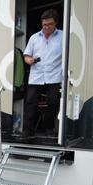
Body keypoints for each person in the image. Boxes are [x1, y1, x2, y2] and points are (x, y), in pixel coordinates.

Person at [22, 9, 62, 138]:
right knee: (30, 102)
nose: (46, 27)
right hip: (36, 75)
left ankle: (49, 129)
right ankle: (28, 131)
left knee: (53, 102)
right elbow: (26, 56)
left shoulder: (63, 36)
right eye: (44, 24)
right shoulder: (34, 37)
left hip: (55, 75)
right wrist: (30, 60)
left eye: (49, 24)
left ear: (56, 23)